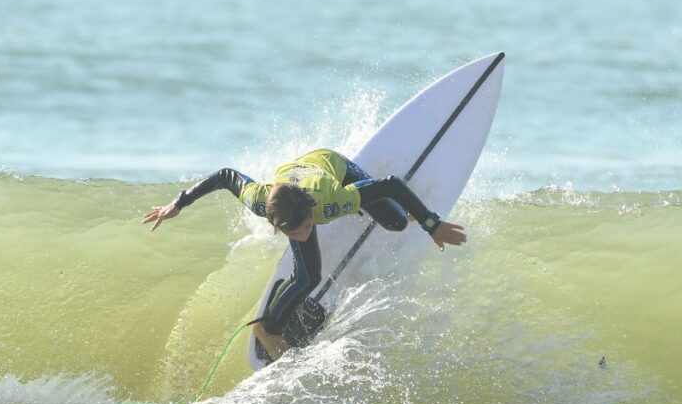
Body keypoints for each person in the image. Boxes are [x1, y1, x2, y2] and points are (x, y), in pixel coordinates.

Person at [142, 149, 466, 361]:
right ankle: (267, 329)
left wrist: (430, 223)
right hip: (290, 188)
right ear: (276, 224)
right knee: (309, 275)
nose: (307, 232)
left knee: (395, 221)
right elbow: (226, 176)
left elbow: (391, 184)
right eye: (296, 232)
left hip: (332, 166)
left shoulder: (330, 201)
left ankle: (394, 212)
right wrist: (179, 203)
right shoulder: (261, 201)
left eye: (310, 226)